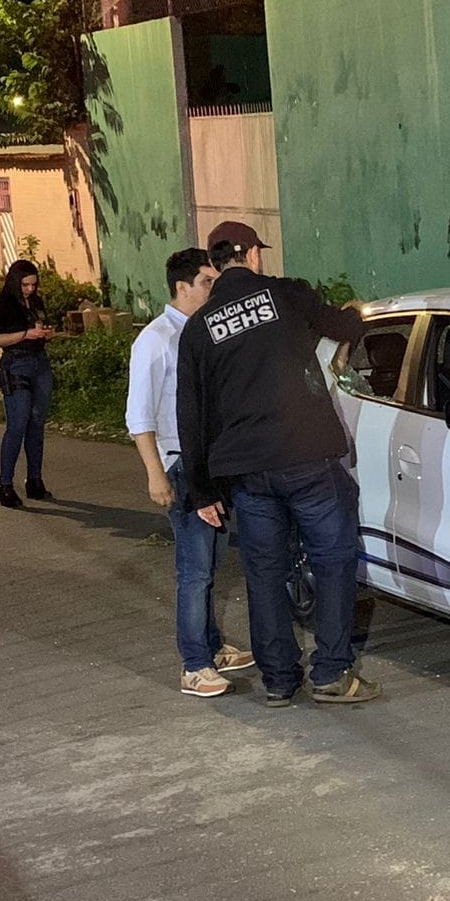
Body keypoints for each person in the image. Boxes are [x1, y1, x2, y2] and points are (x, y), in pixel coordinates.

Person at [176, 220, 375, 707]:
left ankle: (280, 681)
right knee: (333, 559)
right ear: (249, 254)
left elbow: (192, 415)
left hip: (247, 474)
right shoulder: (286, 294)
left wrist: (202, 492)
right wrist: (354, 314)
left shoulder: (199, 329)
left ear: (215, 262)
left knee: (264, 574)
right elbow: (345, 327)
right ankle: (331, 672)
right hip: (305, 459)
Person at [128, 248, 254, 698]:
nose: (212, 289)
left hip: (211, 464)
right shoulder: (156, 340)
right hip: (180, 465)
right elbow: (138, 416)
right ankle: (194, 664)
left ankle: (213, 646)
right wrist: (155, 474)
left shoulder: (203, 333)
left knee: (214, 562)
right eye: (206, 281)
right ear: (182, 287)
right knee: (195, 569)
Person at [0, 259, 55, 508]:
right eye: (25, 284)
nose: (30, 289)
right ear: (15, 282)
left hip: (39, 362)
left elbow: (43, 325)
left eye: (34, 284)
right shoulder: (1, 306)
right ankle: (5, 484)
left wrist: (46, 333)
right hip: (16, 364)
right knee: (17, 424)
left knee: (37, 423)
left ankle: (35, 480)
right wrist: (24, 334)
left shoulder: (36, 302)